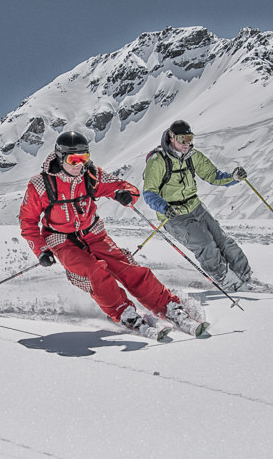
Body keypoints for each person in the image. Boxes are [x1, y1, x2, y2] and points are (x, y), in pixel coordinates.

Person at [19, 131, 208, 338]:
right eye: (73, 159)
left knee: (127, 268)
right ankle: (123, 312)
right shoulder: (41, 185)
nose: (78, 164)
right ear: (60, 157)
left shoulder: (91, 174)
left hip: (94, 233)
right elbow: (28, 222)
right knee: (94, 271)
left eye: (84, 158)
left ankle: (168, 306)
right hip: (61, 240)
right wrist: (41, 250)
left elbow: (124, 187)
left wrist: (125, 194)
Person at [142, 119, 253, 292]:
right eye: (182, 139)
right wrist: (164, 208)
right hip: (174, 215)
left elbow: (213, 175)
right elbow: (149, 192)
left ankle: (244, 276)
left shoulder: (193, 157)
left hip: (195, 206)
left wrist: (233, 178)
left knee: (223, 240)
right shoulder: (158, 161)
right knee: (206, 244)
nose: (186, 143)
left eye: (190, 138)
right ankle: (224, 279)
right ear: (172, 138)